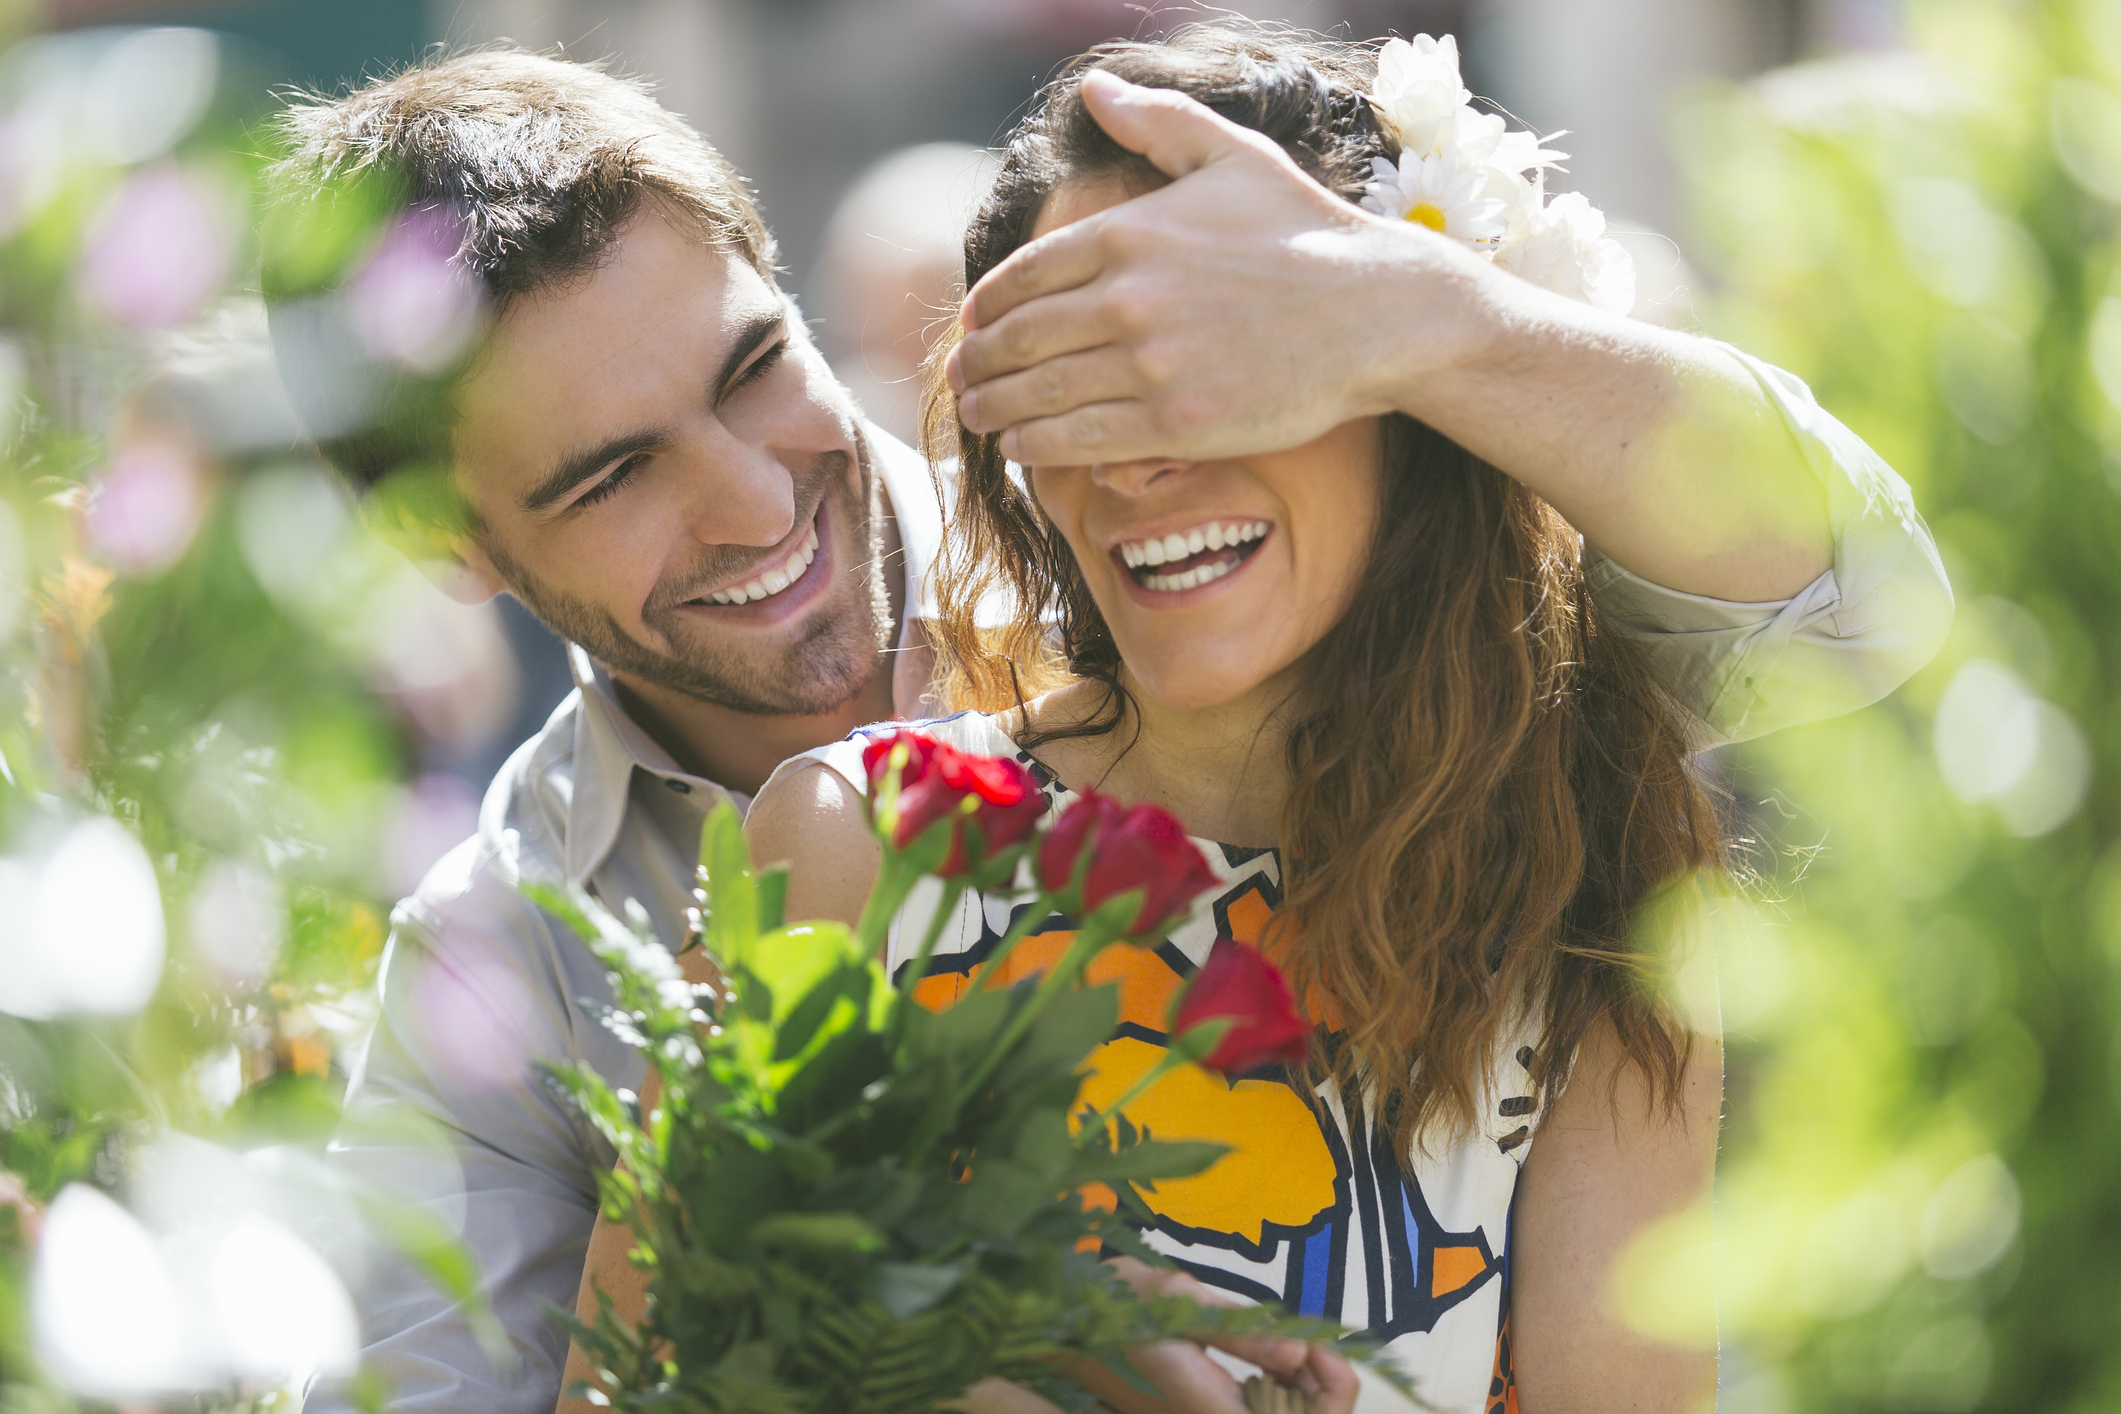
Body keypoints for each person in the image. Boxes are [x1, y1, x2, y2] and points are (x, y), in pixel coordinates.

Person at [265, 38, 1950, 1414]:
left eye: (749, 367)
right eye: (612, 472)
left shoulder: (1573, 846)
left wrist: (1421, 316)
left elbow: (1867, 602)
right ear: (456, 545)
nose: (750, 495)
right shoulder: (666, 902)